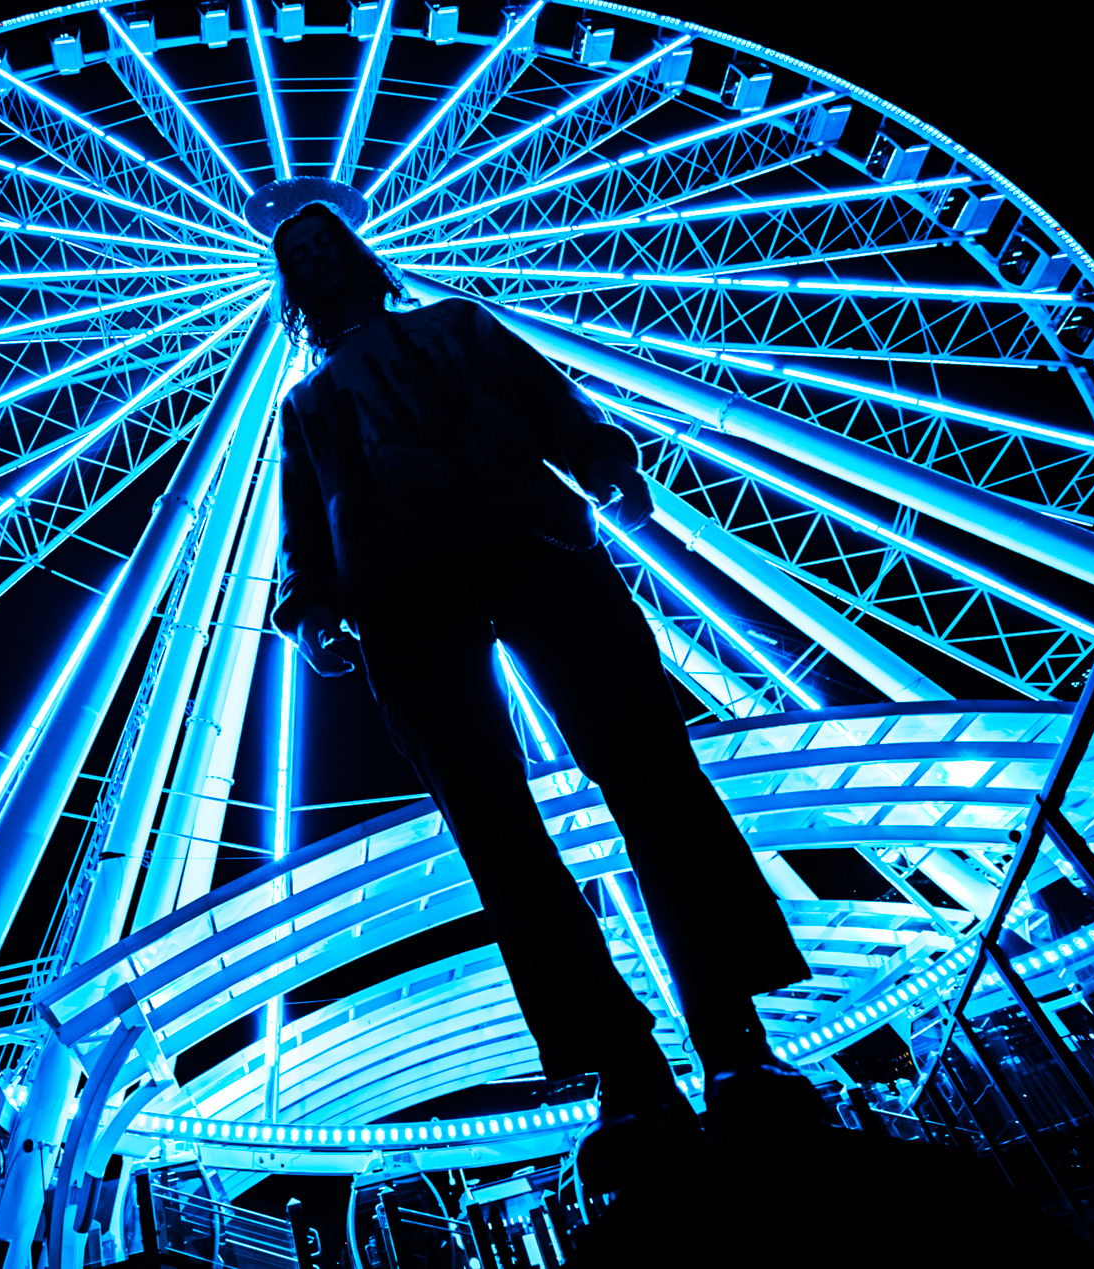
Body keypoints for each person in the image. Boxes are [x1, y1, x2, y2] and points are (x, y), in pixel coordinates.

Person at [267, 200, 826, 1150]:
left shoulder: (458, 325)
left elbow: (545, 396)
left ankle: (733, 1036)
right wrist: (312, 609)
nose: (320, 259)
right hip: (402, 602)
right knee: (499, 835)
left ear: (357, 254)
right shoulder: (306, 406)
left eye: (328, 242)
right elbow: (305, 528)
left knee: (656, 776)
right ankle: (625, 1071)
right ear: (293, 286)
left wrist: (603, 457)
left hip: (533, 542)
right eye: (301, 255)